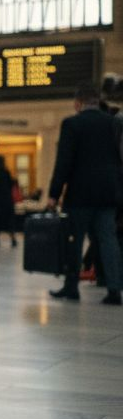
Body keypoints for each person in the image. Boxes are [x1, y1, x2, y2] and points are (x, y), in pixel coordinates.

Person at [47, 84, 123, 305]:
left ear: (78, 103)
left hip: (80, 195)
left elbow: (64, 161)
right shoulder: (113, 123)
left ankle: (71, 287)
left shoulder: (72, 124)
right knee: (108, 240)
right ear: (98, 101)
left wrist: (54, 193)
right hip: (108, 193)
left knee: (75, 240)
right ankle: (114, 289)